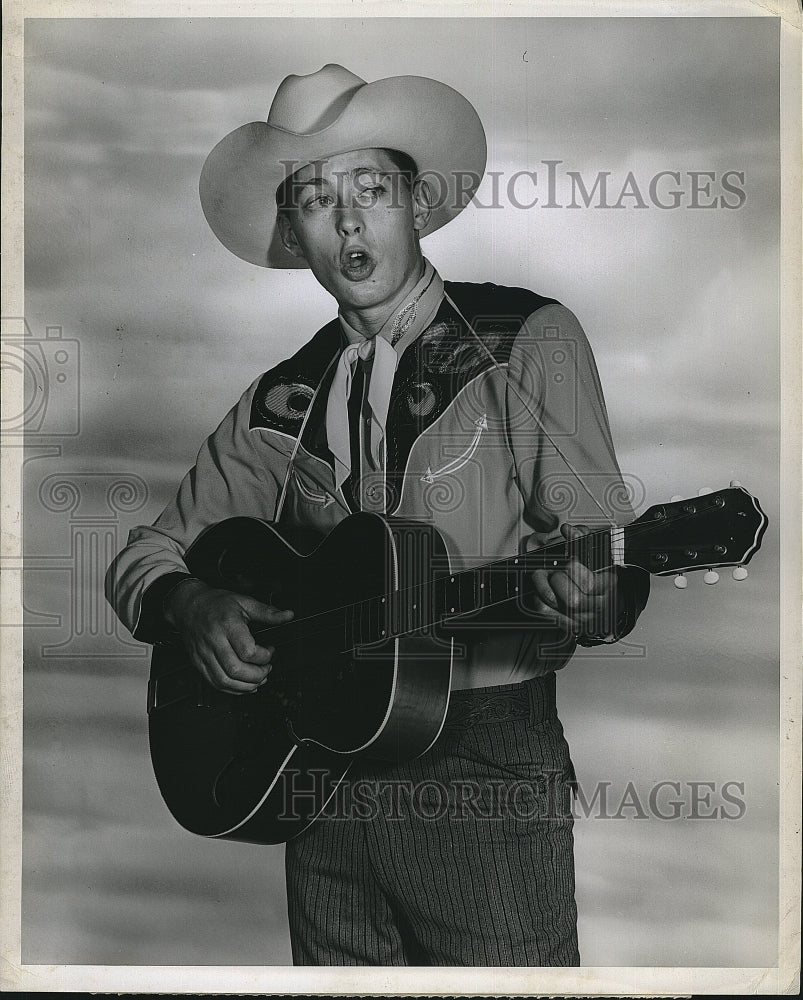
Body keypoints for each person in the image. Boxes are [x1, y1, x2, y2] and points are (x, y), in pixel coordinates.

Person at [106, 63, 650, 966]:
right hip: (318, 779)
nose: (349, 220)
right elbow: (147, 556)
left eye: (371, 189)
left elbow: (609, 566)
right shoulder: (279, 397)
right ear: (295, 229)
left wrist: (594, 595)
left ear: (415, 205)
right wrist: (187, 606)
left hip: (483, 774)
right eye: (317, 199)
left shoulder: (527, 342)